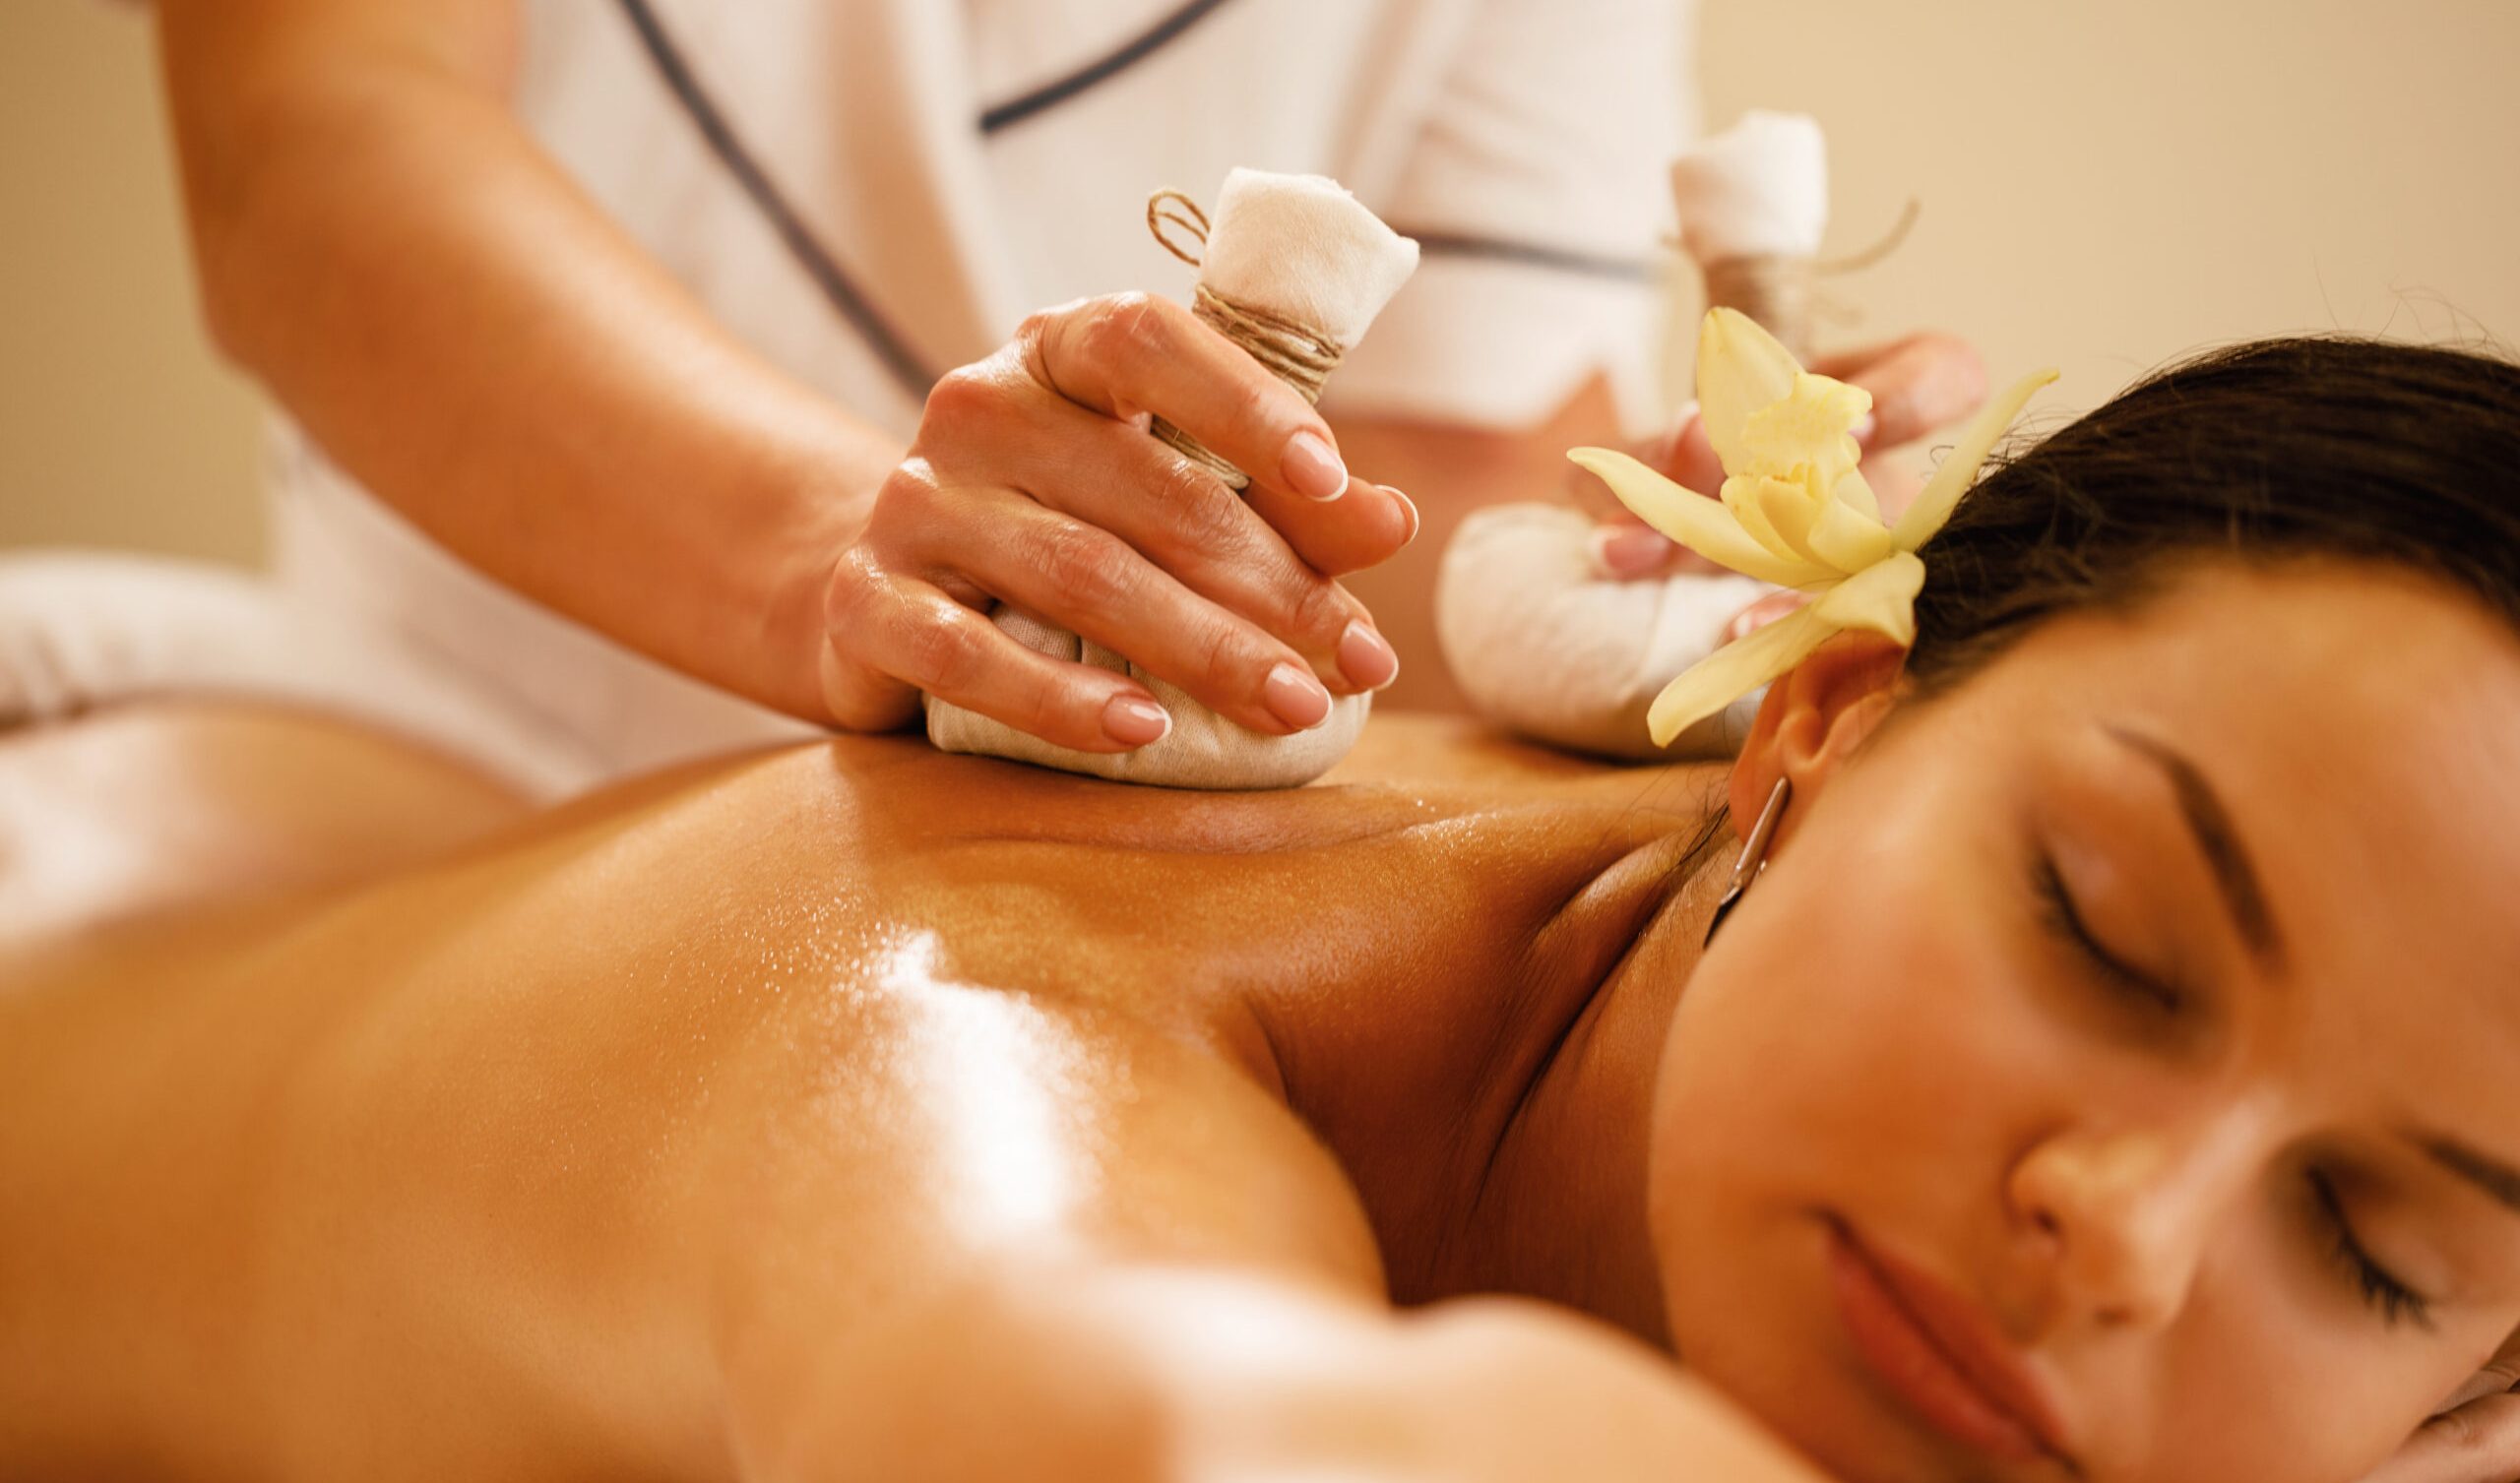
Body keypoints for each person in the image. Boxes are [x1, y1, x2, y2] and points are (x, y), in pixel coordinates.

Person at [8, 335, 2516, 1482]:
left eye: (2379, 1245)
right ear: (1822, 722)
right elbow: (1166, 1430)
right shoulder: (985, 1048)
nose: (2124, 1233)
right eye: (2100, 932)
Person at [146, 0, 1984, 784]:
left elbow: (1398, 533)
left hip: (1038, 877)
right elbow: (317, 148)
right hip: (416, 751)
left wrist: (1676, 577)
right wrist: (855, 567)